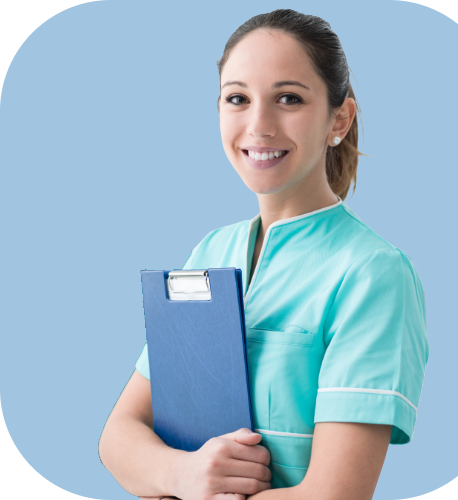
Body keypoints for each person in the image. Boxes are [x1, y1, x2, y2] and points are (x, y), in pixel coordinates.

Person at [98, 8, 429, 500]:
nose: (259, 125)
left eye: (289, 98)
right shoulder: (211, 251)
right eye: (238, 98)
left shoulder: (372, 273)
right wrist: (184, 475)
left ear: (339, 118)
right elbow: (118, 436)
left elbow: (333, 495)